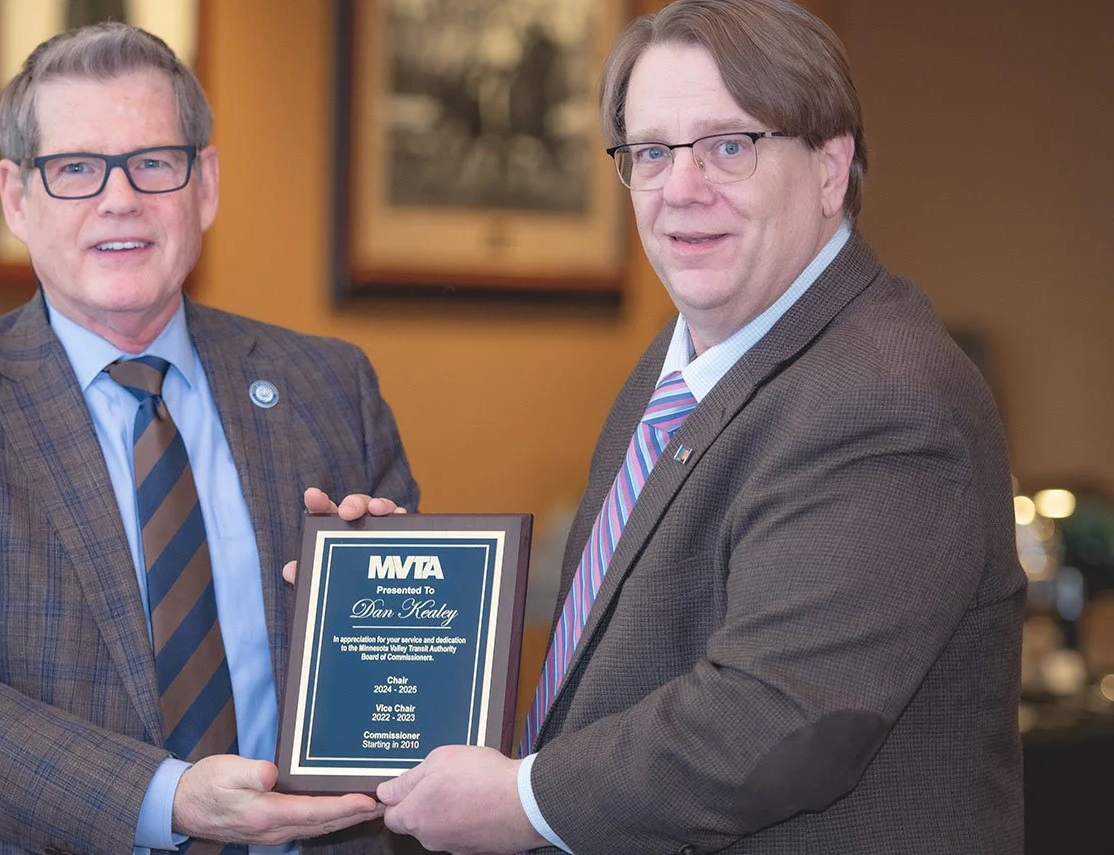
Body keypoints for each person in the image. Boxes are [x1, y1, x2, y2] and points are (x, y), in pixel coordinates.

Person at [373, 1, 1025, 853]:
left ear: (831, 168)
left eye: (729, 146)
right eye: (651, 152)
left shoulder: (884, 398)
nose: (681, 189)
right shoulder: (682, 357)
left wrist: (523, 800)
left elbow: (775, 719)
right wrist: (385, 597)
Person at [0, 22, 419, 855]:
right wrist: (170, 798)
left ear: (205, 184)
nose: (120, 199)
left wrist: (397, 596)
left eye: (152, 162)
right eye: (76, 167)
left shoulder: (331, 385)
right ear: (17, 197)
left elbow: (404, 689)